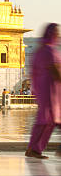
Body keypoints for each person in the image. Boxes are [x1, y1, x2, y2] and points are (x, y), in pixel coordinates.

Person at [26, 23, 61, 159]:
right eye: (56, 32)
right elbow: (56, 72)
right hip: (51, 92)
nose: (57, 35)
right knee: (48, 120)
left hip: (44, 90)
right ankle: (35, 149)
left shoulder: (40, 51)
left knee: (46, 120)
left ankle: (34, 149)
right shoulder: (50, 51)